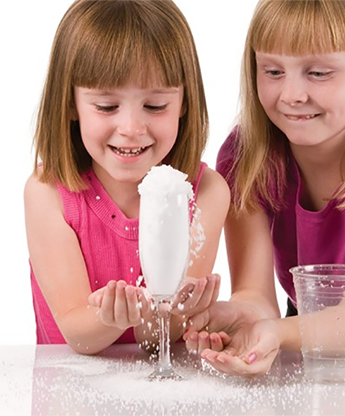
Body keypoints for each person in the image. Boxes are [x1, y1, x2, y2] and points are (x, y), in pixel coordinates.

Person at [24, 0, 230, 354]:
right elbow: (76, 332)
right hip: (69, 383)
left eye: (155, 106)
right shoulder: (48, 194)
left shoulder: (206, 193)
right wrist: (112, 318)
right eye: (107, 107)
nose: (131, 128)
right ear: (70, 103)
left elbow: (158, 339)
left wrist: (176, 311)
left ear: (184, 102)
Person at [184, 0, 345, 376]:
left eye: (318, 73)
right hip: (309, 334)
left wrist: (276, 332)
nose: (291, 95)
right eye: (273, 71)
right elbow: (256, 294)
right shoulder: (248, 157)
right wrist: (243, 318)